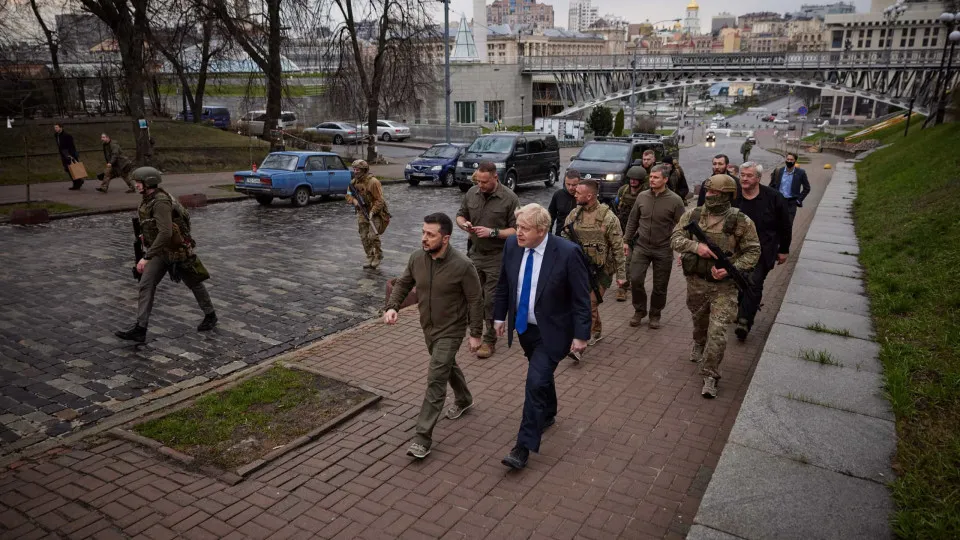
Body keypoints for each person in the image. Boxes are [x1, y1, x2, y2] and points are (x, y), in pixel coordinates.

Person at [493, 204, 591, 469]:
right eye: (517, 226)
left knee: (535, 383)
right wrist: (499, 316)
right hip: (525, 329)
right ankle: (548, 413)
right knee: (541, 378)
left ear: (542, 230)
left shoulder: (568, 253)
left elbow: (582, 298)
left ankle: (522, 447)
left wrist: (582, 335)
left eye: (525, 228)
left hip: (554, 332)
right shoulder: (513, 246)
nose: (518, 233)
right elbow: (505, 283)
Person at [384, 213, 483, 460]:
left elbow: (475, 300)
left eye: (430, 234)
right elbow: (404, 283)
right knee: (445, 366)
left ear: (446, 238)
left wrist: (476, 334)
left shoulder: (463, 265)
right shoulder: (418, 258)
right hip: (428, 327)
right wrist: (392, 306)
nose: (424, 239)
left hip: (451, 330)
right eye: (423, 232)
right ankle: (464, 398)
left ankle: (422, 437)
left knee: (436, 377)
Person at [671, 175, 760, 398]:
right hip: (697, 282)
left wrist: (732, 268)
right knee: (699, 320)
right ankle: (698, 342)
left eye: (715, 194)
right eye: (708, 192)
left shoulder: (741, 221)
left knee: (718, 331)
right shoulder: (694, 214)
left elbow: (753, 251)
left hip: (725, 287)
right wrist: (695, 246)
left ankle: (710, 375)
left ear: (727, 195)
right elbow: (675, 238)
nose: (709, 196)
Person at [114, 167, 217, 343]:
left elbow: (166, 233)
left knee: (194, 282)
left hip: (176, 251)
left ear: (148, 183)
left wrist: (146, 257)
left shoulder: (161, 202)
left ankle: (211, 315)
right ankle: (140, 328)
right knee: (146, 284)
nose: (136, 185)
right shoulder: (148, 199)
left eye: (138, 182)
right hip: (160, 252)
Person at [456, 161, 520, 359]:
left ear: (495, 177)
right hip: (475, 254)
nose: (481, 185)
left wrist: (493, 232)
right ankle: (475, 331)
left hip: (497, 257)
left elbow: (517, 230)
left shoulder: (509, 198)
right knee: (473, 297)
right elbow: (460, 215)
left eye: (484, 182)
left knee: (490, 300)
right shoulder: (471, 193)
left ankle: (489, 339)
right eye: (478, 181)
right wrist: (464, 225)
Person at [561, 179, 626, 349]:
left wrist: (621, 276)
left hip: (603, 269)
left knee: (590, 302)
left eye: (578, 193)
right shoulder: (574, 215)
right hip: (580, 268)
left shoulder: (608, 217)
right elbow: (564, 238)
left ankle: (582, 340)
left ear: (589, 196)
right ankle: (595, 329)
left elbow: (618, 248)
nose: (574, 194)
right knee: (584, 302)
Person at [623, 165, 686, 328]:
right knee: (635, 279)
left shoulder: (675, 200)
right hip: (642, 246)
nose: (652, 180)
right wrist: (626, 240)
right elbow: (632, 220)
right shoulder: (642, 197)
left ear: (665, 179)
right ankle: (639, 310)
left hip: (663, 248)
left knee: (660, 286)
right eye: (651, 177)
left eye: (656, 177)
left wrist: (682, 250)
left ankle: (655, 314)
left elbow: (683, 226)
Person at [735, 162, 792, 341]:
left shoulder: (774, 198)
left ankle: (744, 321)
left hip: (763, 250)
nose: (744, 178)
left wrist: (783, 249)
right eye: (742, 175)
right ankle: (744, 309)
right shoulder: (734, 198)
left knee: (754, 282)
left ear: (758, 178)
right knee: (739, 284)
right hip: (737, 251)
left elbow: (785, 226)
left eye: (749, 175)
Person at [613, 164, 648, 302]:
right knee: (625, 260)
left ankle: (635, 282)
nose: (633, 181)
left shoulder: (646, 193)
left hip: (641, 232)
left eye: (636, 179)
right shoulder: (623, 190)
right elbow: (616, 204)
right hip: (624, 229)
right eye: (631, 178)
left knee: (636, 262)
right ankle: (622, 287)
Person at [347, 159, 390, 269]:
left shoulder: (373, 182)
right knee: (363, 236)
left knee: (372, 235)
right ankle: (370, 255)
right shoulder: (353, 182)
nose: (355, 171)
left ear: (364, 170)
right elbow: (348, 194)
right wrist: (354, 201)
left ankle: (378, 255)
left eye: (358, 169)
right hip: (362, 212)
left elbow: (380, 200)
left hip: (375, 213)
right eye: (354, 169)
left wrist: (372, 211)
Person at [769, 152, 811, 225]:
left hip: (791, 203)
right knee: (776, 224)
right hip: (779, 201)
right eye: (787, 159)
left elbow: (807, 188)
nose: (789, 161)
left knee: (788, 225)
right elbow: (771, 186)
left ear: (795, 161)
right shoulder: (778, 171)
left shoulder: (801, 173)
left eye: (791, 160)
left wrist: (799, 200)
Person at [548, 169, 579, 236]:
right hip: (560, 234)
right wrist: (548, 234)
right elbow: (551, 216)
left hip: (578, 236)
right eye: (568, 184)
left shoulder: (583, 196)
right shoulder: (558, 195)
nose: (570, 188)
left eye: (574, 185)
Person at [54, 124, 84, 190]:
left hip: (69, 154)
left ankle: (77, 184)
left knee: (73, 168)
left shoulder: (67, 136)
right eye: (55, 127)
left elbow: (72, 146)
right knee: (68, 169)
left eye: (56, 127)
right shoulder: (56, 135)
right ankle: (79, 181)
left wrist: (71, 155)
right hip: (63, 154)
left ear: (61, 128)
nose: (55, 129)